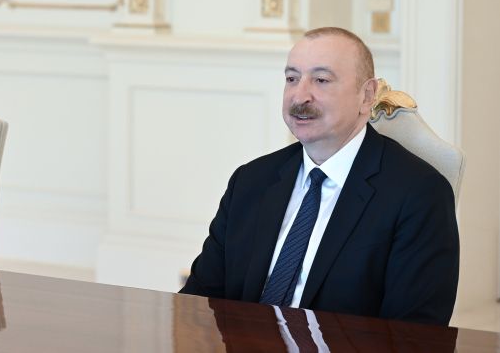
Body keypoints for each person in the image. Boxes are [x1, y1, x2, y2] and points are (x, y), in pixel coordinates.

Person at [181, 27, 459, 325]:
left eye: (321, 80)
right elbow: (198, 301)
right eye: (292, 79)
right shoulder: (251, 181)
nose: (300, 96)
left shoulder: (419, 194)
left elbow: (415, 335)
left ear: (367, 96)